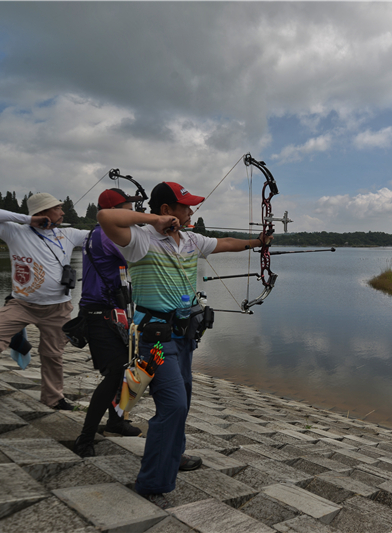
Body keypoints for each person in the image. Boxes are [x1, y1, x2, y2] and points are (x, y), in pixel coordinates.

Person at [98, 181, 272, 504]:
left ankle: (173, 455)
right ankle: (152, 482)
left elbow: (227, 243)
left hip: (185, 336)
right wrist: (152, 221)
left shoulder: (191, 239)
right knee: (174, 405)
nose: (191, 211)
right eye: (185, 206)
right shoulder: (140, 241)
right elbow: (105, 218)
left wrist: (257, 242)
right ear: (166, 210)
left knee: (183, 401)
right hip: (156, 341)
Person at [0, 193, 90, 409]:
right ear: (43, 212)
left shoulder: (69, 234)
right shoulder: (15, 231)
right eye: (58, 208)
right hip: (20, 305)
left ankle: (53, 398)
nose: (62, 212)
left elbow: (105, 234)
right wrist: (26, 219)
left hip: (58, 308)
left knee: (52, 354)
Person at [73, 188, 144, 458]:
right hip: (100, 312)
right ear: (115, 211)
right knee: (114, 373)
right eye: (129, 207)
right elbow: (139, 257)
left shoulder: (97, 232)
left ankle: (116, 421)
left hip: (110, 311)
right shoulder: (107, 235)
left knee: (125, 370)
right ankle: (85, 437)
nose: (133, 212)